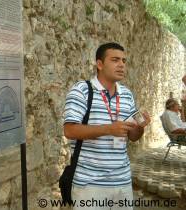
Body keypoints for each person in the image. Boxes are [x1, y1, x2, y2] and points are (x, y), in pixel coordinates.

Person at [63, 42, 151, 210]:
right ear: (100, 64)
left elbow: (132, 137)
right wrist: (108, 129)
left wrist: (140, 127)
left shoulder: (126, 94)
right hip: (90, 184)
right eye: (115, 60)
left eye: (124, 61)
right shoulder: (81, 90)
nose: (121, 65)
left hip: (122, 182)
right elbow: (69, 130)